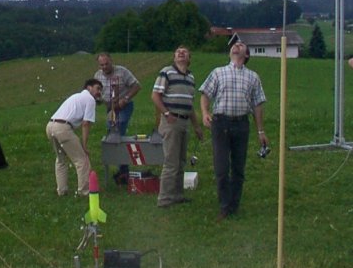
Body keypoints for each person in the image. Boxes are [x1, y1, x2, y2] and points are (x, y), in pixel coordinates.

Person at [199, 42, 269, 220]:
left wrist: (261, 131)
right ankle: (224, 206)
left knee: (238, 168)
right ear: (230, 52)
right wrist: (205, 112)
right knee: (222, 167)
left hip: (241, 124)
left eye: (241, 45)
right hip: (221, 123)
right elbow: (205, 94)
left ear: (246, 55)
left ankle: (234, 205)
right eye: (234, 45)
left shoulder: (253, 77)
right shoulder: (218, 72)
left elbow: (258, 105)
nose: (237, 45)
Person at [152, 46, 203, 208]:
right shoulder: (166, 72)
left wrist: (196, 127)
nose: (181, 53)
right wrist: (166, 114)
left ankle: (178, 194)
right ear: (174, 57)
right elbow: (155, 96)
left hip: (184, 121)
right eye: (178, 52)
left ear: (189, 58)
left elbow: (190, 104)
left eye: (185, 52)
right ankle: (165, 198)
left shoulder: (191, 78)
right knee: (171, 162)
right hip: (171, 122)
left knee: (181, 161)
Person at [46, 78, 103, 196]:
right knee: (82, 160)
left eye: (101, 90)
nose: (99, 92)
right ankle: (85, 191)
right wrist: (84, 146)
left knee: (61, 159)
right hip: (62, 128)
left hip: (50, 126)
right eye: (98, 88)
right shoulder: (90, 99)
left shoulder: (76, 96)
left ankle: (61, 191)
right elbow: (86, 123)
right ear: (89, 87)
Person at [94, 52, 141, 183]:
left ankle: (123, 170)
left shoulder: (122, 71)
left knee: (118, 130)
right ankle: (122, 168)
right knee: (113, 134)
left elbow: (137, 86)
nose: (104, 67)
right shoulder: (97, 75)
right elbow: (97, 92)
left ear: (111, 61)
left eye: (106, 64)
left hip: (124, 106)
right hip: (110, 107)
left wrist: (125, 99)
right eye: (101, 65)